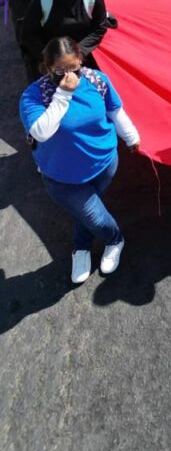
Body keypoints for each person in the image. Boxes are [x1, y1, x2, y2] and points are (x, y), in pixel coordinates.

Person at [19, 36, 140, 284]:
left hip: (103, 163)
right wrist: (63, 93)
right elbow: (41, 131)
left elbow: (114, 111)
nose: (68, 75)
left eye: (73, 68)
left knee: (85, 212)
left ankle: (81, 247)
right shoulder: (33, 96)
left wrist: (131, 137)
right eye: (59, 70)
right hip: (61, 176)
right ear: (47, 67)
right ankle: (114, 239)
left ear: (80, 61)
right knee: (93, 215)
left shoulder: (97, 80)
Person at [21, 0, 111, 78]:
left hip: (82, 59)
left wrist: (79, 53)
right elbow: (28, 33)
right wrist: (49, 57)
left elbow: (99, 28)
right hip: (50, 60)